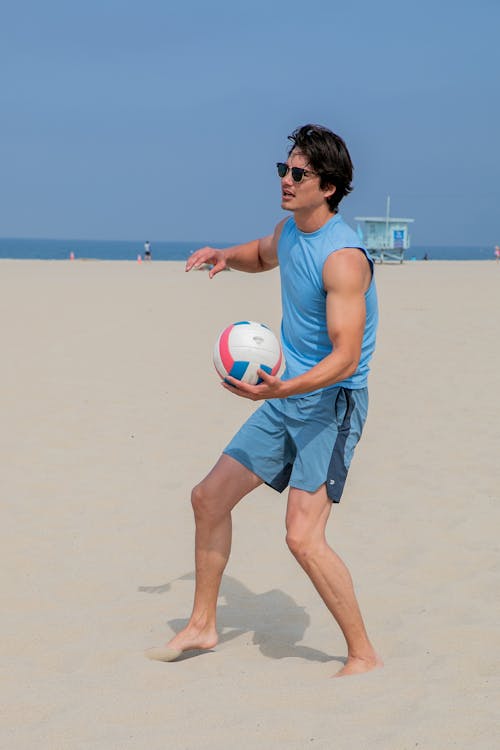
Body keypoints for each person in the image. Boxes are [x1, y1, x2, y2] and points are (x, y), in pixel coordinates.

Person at [146, 124, 382, 677]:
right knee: (208, 498)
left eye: (299, 174)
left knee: (302, 536)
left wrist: (280, 388)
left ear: (328, 186)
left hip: (331, 403)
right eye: (284, 169)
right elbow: (263, 252)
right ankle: (203, 625)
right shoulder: (292, 231)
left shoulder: (344, 258)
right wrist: (226, 256)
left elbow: (346, 358)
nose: (286, 180)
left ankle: (363, 655)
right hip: (285, 396)